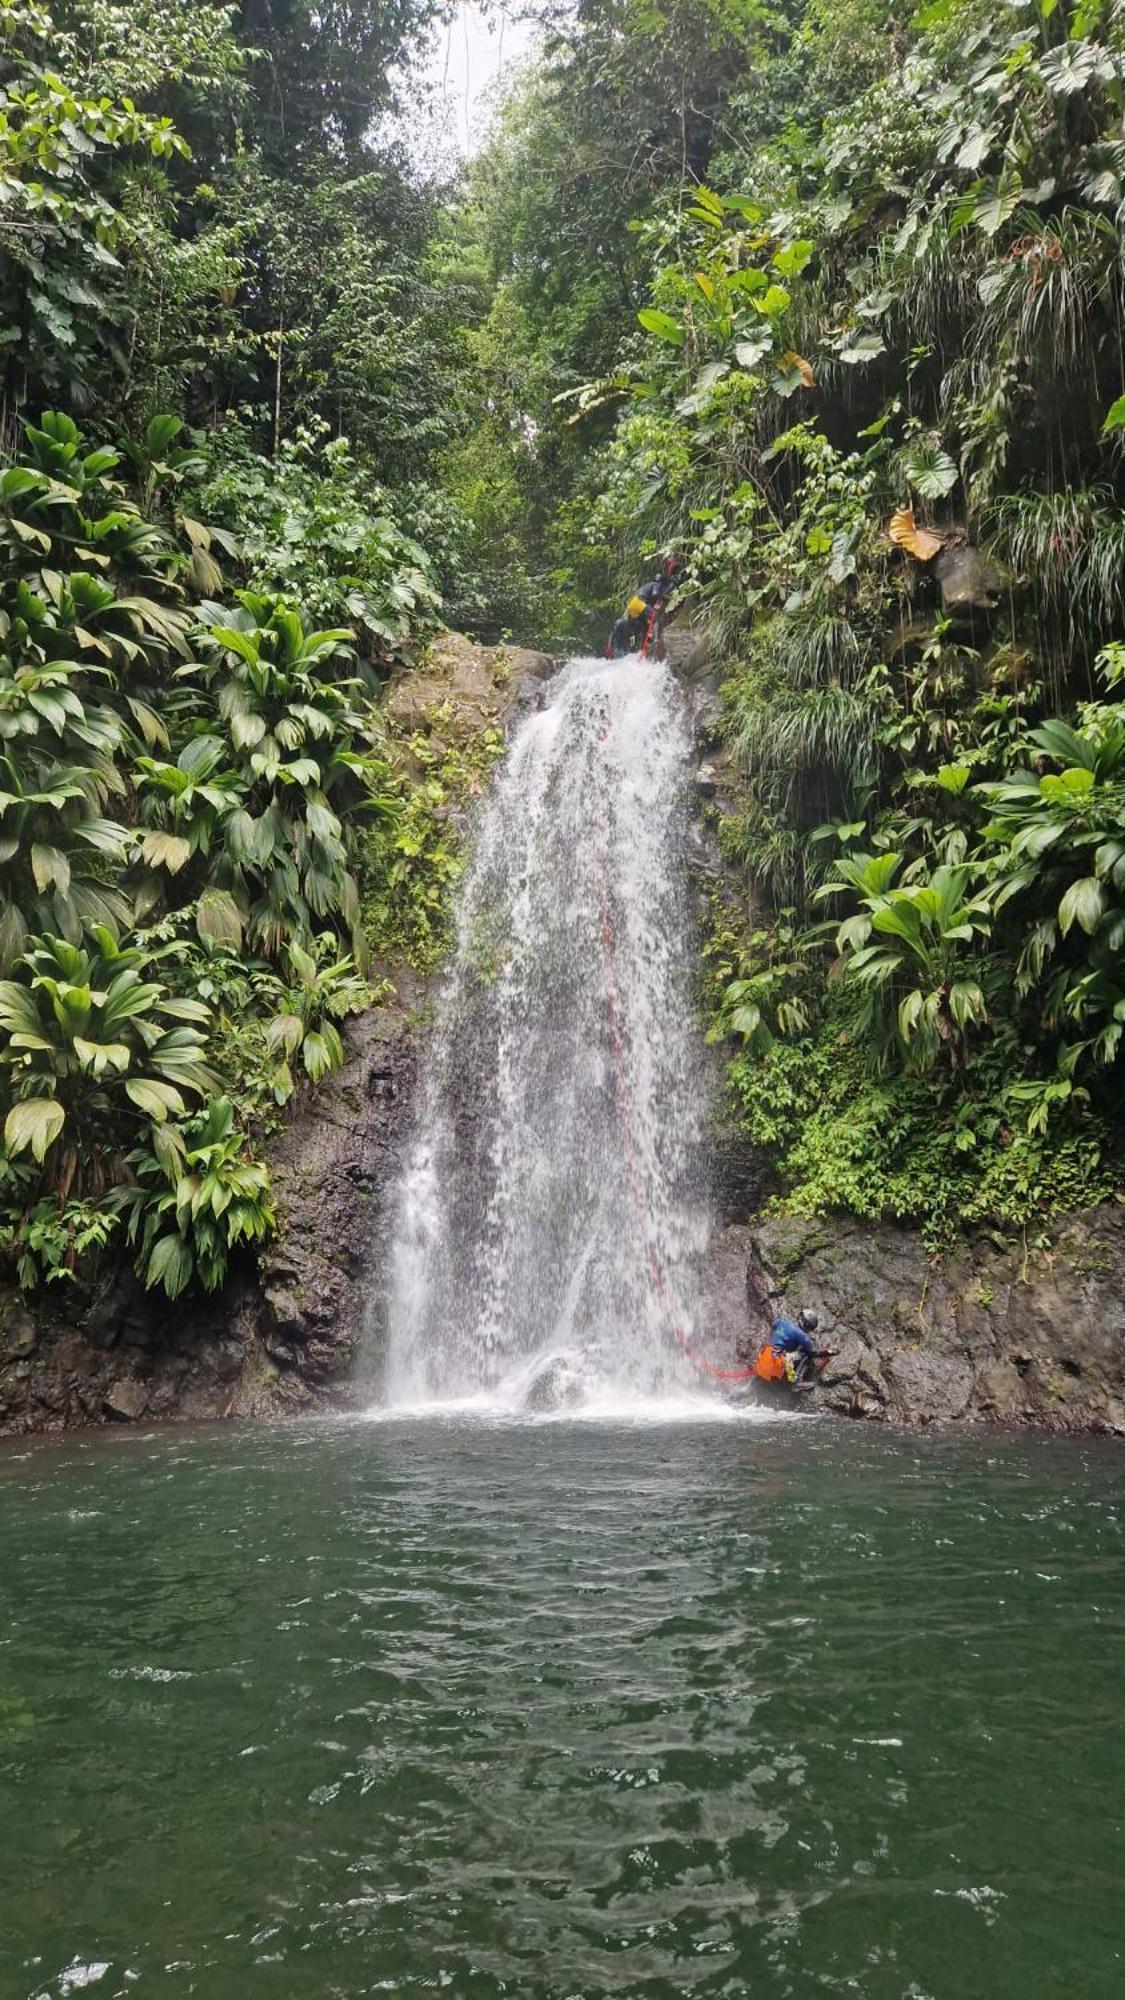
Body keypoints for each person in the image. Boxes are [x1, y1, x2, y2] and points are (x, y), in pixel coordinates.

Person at [606, 555, 683, 659]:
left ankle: (643, 650)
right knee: (655, 619)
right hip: (639, 602)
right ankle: (656, 641)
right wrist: (667, 598)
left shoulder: (654, 584)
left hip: (634, 604)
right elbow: (656, 594)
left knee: (646, 627)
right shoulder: (657, 584)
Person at [753, 1309, 825, 1387]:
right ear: (807, 1325)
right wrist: (827, 1352)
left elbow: (773, 1325)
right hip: (775, 1367)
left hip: (762, 1359)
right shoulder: (802, 1335)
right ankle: (797, 1381)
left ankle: (747, 1386)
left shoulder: (782, 1322)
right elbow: (812, 1352)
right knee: (806, 1355)